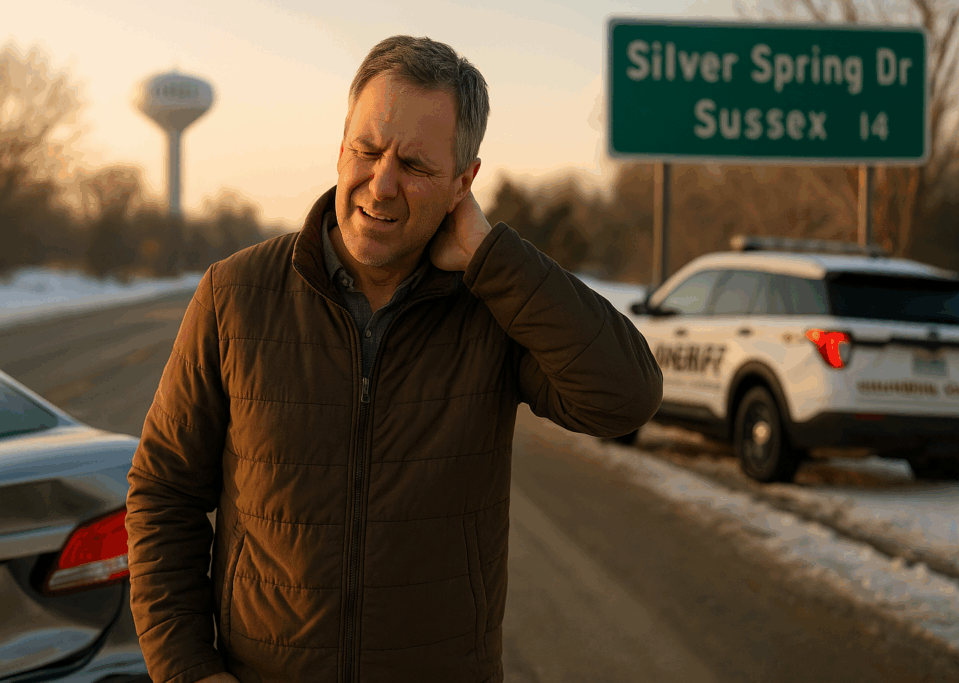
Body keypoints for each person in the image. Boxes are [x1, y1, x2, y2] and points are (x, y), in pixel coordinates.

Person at [125, 35, 662, 683]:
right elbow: (163, 494)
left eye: (415, 164)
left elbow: (625, 395)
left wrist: (493, 258)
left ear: (463, 183)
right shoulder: (234, 295)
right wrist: (188, 669)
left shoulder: (492, 307)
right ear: (341, 144)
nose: (381, 184)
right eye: (367, 149)